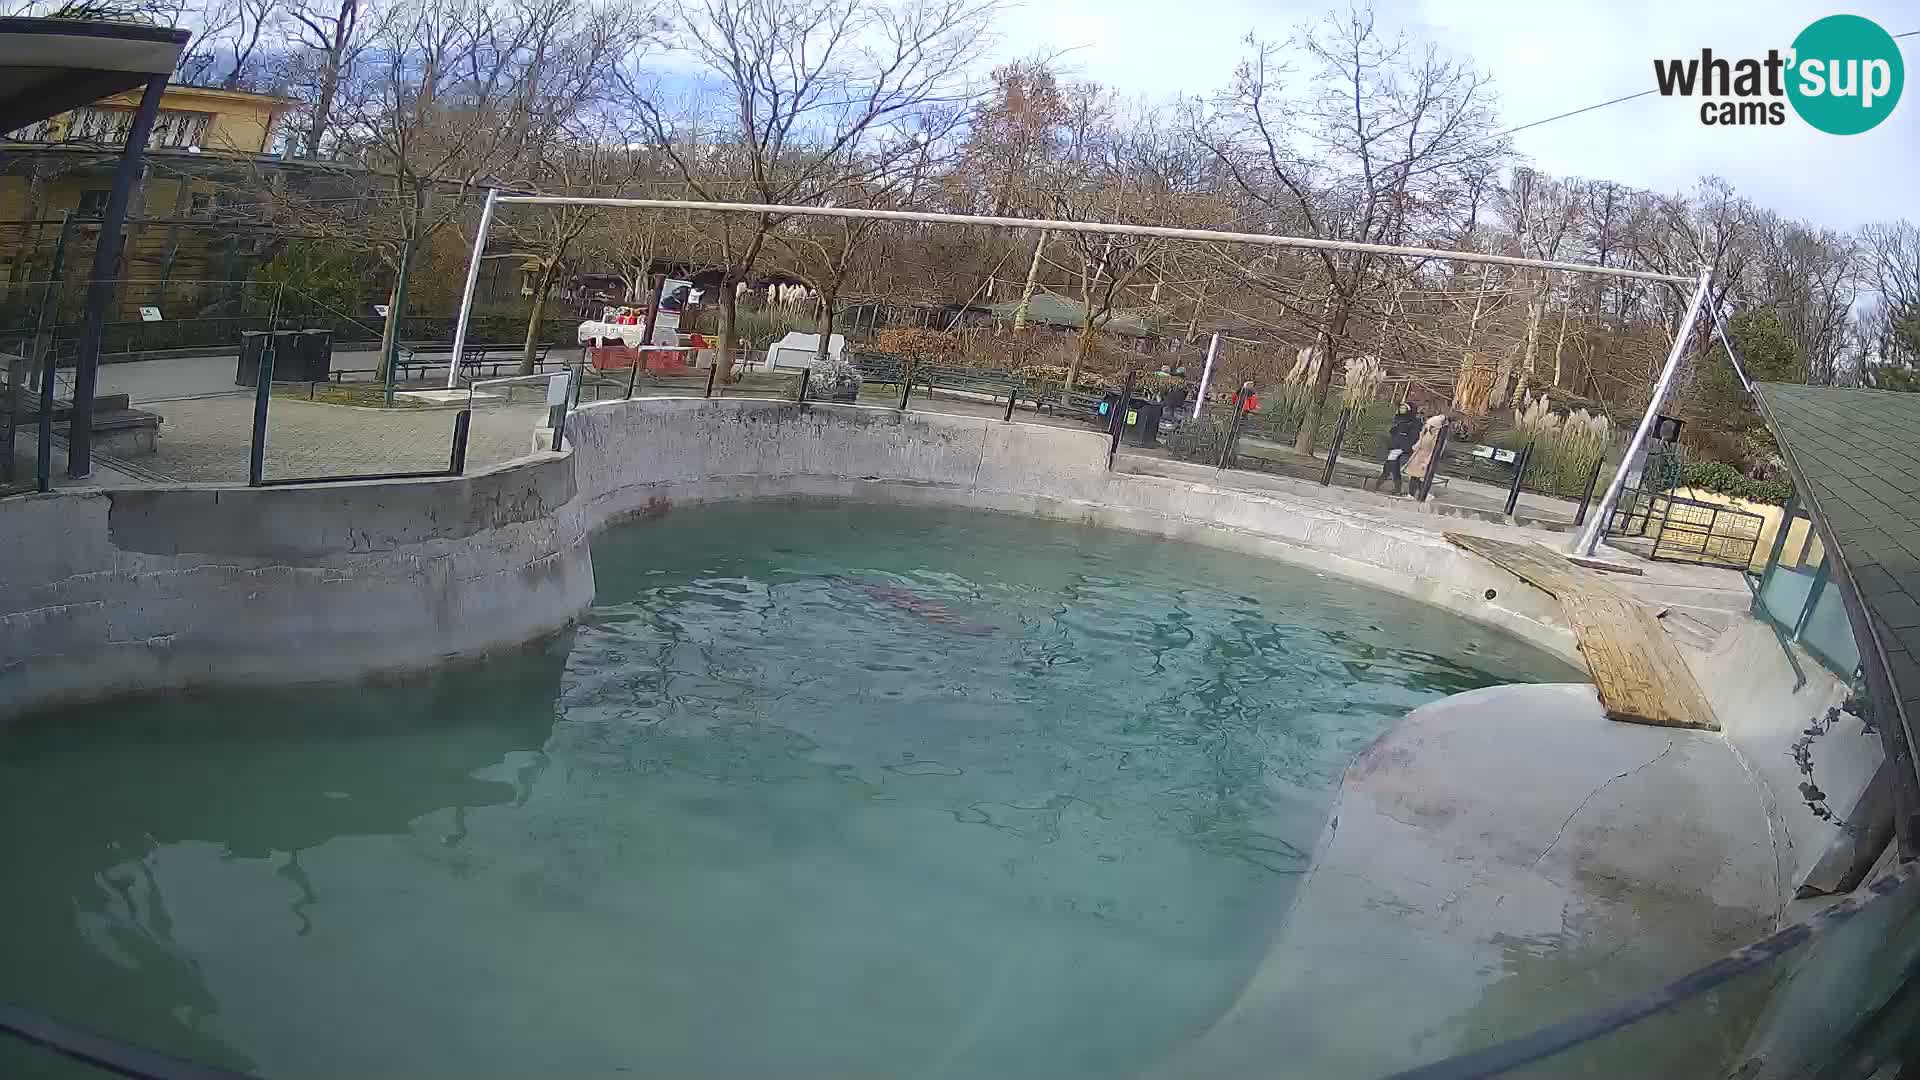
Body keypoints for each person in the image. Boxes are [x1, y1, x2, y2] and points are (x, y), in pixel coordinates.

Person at [1371, 402, 1422, 495]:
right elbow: (1394, 433)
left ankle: (1377, 486)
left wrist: (1404, 448)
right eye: (1401, 408)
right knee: (1392, 467)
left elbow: (1414, 437)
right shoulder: (1398, 419)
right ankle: (1394, 488)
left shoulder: (1415, 422)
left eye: (1404, 408)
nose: (1401, 410)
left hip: (1403, 448)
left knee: (1391, 466)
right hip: (1395, 447)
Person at [1403, 413, 1449, 499]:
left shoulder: (1439, 438)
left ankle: (1425, 494)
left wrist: (1427, 462)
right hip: (1418, 456)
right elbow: (1420, 443)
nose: (1429, 427)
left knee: (1422, 477)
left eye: (1432, 426)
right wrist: (1417, 444)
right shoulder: (1426, 432)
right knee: (1413, 475)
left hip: (1426, 458)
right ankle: (1411, 494)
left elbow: (1435, 452)